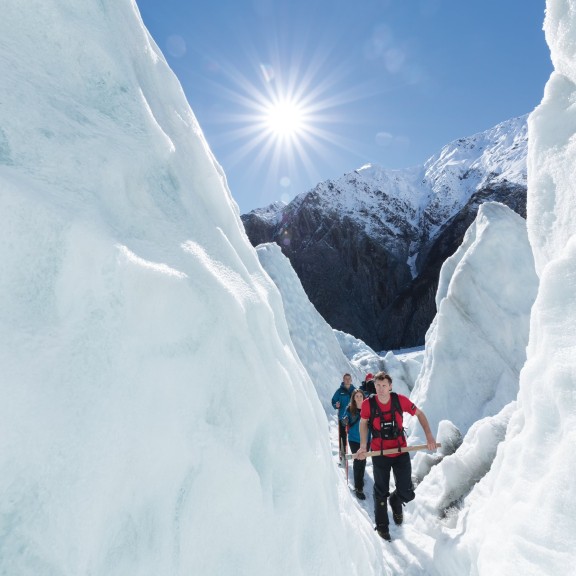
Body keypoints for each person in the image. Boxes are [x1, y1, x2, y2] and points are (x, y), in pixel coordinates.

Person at [356, 372, 437, 542]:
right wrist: (363, 445)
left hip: (400, 451)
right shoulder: (367, 405)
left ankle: (396, 500)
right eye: (378, 386)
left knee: (406, 492)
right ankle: (382, 526)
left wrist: (429, 435)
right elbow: (363, 423)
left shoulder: (400, 400)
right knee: (380, 492)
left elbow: (419, 414)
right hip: (380, 454)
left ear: (390, 386)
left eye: (384, 385)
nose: (381, 389)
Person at [343, 389, 371, 500]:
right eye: (357, 396)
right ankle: (358, 487)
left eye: (360, 396)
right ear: (354, 398)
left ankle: (360, 478)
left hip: (366, 439)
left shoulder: (368, 409)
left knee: (363, 460)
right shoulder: (350, 409)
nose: (359, 398)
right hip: (354, 439)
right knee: (358, 460)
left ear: (364, 397)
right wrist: (344, 420)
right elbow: (344, 418)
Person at [331, 373, 355, 464]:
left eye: (349, 379)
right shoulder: (339, 391)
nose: (348, 380)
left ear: (351, 380)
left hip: (353, 418)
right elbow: (333, 401)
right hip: (342, 418)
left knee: (354, 437)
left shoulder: (355, 391)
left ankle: (355, 456)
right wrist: (336, 405)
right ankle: (343, 455)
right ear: (343, 380)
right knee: (343, 437)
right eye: (346, 379)